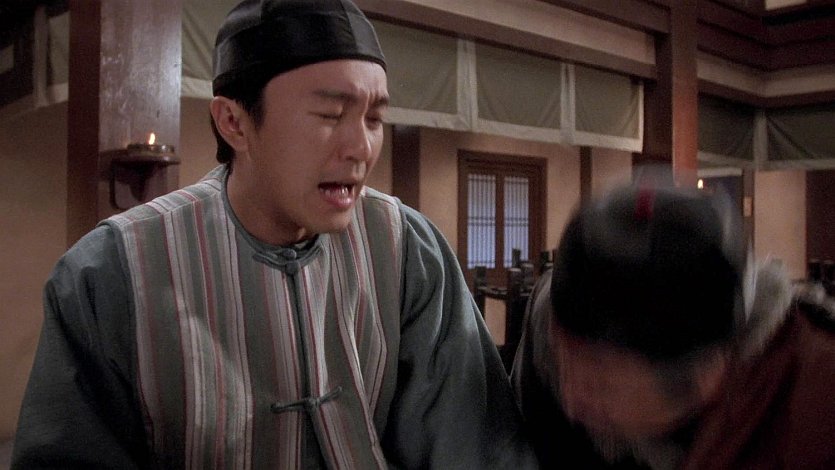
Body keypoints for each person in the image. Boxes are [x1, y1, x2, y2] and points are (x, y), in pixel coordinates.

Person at [12, 1, 536, 468]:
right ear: (234, 122)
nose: (360, 148)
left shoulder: (408, 250)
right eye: (330, 114)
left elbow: (475, 445)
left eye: (374, 119)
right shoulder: (111, 270)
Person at [512, 184, 835, 469]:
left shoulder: (811, 409)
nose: (571, 399)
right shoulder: (547, 340)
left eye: (601, 383)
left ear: (708, 375)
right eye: (564, 358)